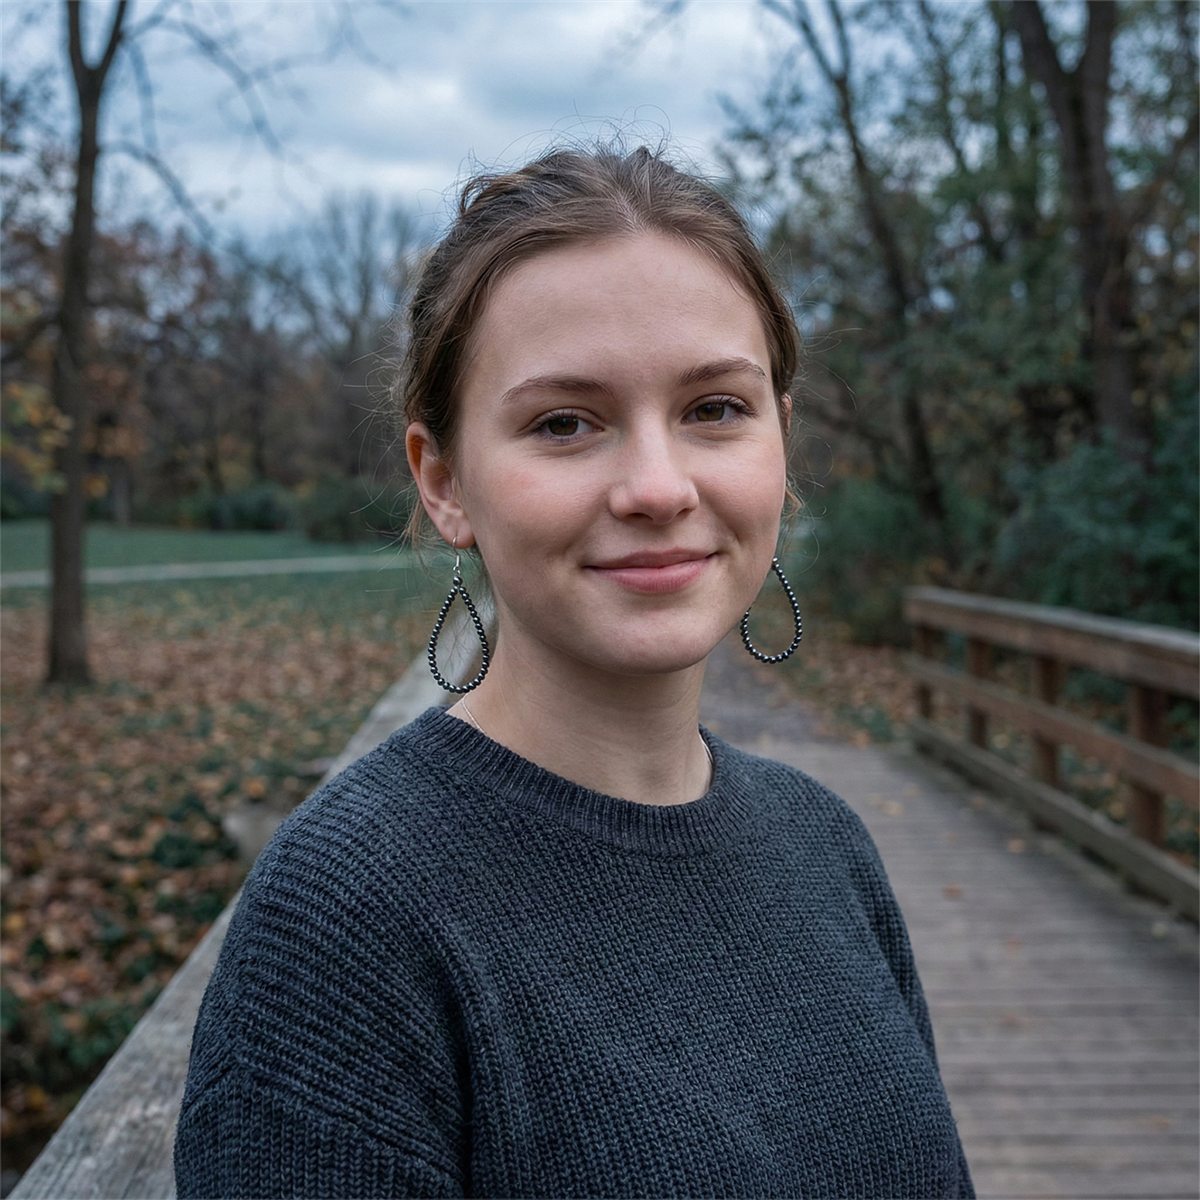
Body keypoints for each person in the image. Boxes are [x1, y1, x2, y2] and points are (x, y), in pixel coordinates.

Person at [174, 146, 974, 1199]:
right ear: (446, 481)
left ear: (781, 438)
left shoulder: (824, 845)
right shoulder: (347, 923)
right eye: (565, 423)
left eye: (716, 409)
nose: (656, 485)